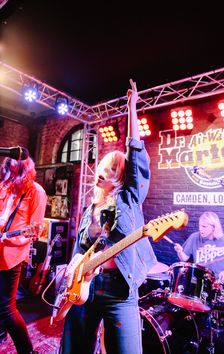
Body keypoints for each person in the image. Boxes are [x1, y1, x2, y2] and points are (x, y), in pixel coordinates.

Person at [60, 80, 157, 354]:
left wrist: (132, 108)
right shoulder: (90, 208)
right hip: (86, 288)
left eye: (113, 169)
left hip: (121, 291)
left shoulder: (129, 199)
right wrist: (76, 264)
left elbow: (135, 156)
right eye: (104, 166)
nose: (104, 171)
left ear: (121, 177)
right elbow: (80, 248)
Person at [0, 154, 47, 354]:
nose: (9, 173)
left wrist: (8, 238)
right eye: (7, 168)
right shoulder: (5, 186)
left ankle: (27, 350)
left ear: (23, 169)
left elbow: (33, 232)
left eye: (14, 170)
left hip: (11, 256)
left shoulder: (36, 192)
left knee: (7, 308)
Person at [174, 211, 224, 282]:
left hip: (220, 281)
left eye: (204, 226)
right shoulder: (194, 237)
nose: (200, 229)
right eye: (200, 225)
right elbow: (184, 258)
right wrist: (180, 252)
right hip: (199, 281)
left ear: (213, 227)